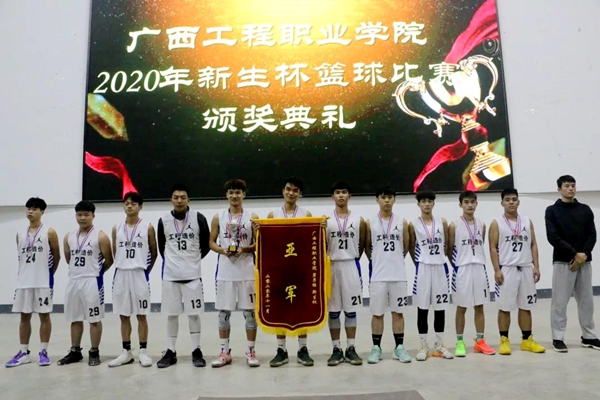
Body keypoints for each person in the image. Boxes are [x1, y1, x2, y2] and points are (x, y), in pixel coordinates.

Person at [156, 184, 210, 368]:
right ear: (171, 200)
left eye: (183, 197)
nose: (179, 200)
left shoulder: (199, 218)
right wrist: (175, 263)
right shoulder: (163, 220)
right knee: (171, 315)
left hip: (192, 277)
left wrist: (191, 261)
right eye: (176, 197)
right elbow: (162, 247)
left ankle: (196, 350)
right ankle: (170, 351)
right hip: (170, 277)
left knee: (194, 315)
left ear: (189, 199)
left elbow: (205, 245)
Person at [545, 175, 600, 352]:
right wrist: (574, 254)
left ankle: (589, 336)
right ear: (559, 189)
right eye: (567, 186)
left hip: (584, 261)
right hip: (563, 262)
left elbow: (592, 234)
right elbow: (553, 236)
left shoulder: (585, 209)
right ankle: (558, 338)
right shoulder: (552, 211)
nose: (571, 189)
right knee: (560, 302)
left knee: (586, 301)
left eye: (573, 186)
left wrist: (583, 254)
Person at [210, 179, 260, 368]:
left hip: (247, 270)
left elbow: (259, 243)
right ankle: (224, 352)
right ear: (226, 195)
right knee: (223, 313)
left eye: (238, 192)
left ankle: (251, 351)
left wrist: (245, 249)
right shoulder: (218, 217)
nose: (234, 196)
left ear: (244, 194)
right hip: (225, 271)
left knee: (250, 314)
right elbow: (211, 242)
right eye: (231, 192)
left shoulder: (252, 217)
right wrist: (223, 250)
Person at [5, 197, 61, 368]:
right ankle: (23, 352)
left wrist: (49, 274)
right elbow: (21, 257)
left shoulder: (49, 232)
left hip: (43, 281)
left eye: (35, 209)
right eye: (28, 208)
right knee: (24, 316)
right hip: (24, 281)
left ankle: (43, 351)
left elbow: (56, 256)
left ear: (42, 212)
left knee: (44, 315)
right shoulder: (20, 234)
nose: (31, 211)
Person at [266, 177, 315, 367]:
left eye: (295, 190)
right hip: (280, 271)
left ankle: (303, 348)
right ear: (283, 191)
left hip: (299, 270)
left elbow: (311, 241)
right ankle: (281, 350)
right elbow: (267, 242)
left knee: (302, 309)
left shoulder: (306, 214)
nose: (291, 193)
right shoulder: (273, 215)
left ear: (300, 194)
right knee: (280, 309)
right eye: (288, 189)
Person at [489, 188, 545, 355]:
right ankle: (504, 340)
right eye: (507, 200)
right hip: (507, 269)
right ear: (502, 203)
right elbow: (492, 248)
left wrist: (536, 266)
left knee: (526, 306)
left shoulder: (527, 221)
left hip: (526, 267)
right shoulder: (496, 223)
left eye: (514, 199)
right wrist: (496, 270)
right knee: (505, 307)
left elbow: (533, 244)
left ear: (518, 202)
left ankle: (527, 340)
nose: (511, 202)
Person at [58, 201, 114, 366]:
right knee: (75, 318)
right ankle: (75, 351)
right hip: (74, 280)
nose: (82, 218)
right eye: (79, 214)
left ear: (93, 216)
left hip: (92, 281)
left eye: (86, 215)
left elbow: (109, 260)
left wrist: (97, 272)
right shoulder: (68, 236)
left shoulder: (101, 236)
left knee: (94, 319)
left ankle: (94, 351)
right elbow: (68, 258)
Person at [108, 192, 157, 368]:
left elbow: (153, 252)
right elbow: (115, 251)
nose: (129, 206)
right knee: (123, 314)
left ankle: (143, 351)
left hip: (139, 273)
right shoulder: (116, 228)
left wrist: (144, 271)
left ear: (140, 207)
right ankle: (126, 351)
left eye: (133, 203)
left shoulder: (147, 227)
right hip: (121, 274)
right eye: (127, 203)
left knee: (141, 314)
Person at [365, 186, 411, 364]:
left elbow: (405, 246)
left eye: (390, 197)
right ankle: (376, 348)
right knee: (377, 313)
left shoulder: (402, 222)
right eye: (383, 197)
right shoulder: (369, 223)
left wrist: (394, 260)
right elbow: (367, 247)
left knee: (398, 312)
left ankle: (399, 347)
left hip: (398, 275)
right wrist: (379, 260)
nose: (386, 201)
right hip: (378, 276)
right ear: (377, 200)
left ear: (394, 200)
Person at [447, 190, 495, 357]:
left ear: (476, 204)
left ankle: (480, 341)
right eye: (466, 202)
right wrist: (457, 265)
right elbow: (449, 249)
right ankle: (460, 341)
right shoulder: (454, 225)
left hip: (479, 268)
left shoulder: (481, 224)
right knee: (461, 307)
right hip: (462, 268)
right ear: (460, 205)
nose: (469, 205)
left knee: (479, 306)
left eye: (472, 202)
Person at [408, 190, 453, 361]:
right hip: (424, 268)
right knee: (423, 308)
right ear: (418, 204)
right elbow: (411, 246)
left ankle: (439, 345)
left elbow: (447, 245)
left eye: (429, 201)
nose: (427, 204)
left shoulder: (442, 222)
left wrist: (439, 259)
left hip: (440, 267)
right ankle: (423, 345)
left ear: (433, 203)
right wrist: (420, 262)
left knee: (440, 307)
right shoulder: (413, 224)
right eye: (423, 201)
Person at [326, 181, 366, 366]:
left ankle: (351, 348)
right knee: (333, 311)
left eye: (344, 192)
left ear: (350, 196)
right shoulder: (326, 220)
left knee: (351, 310)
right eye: (337, 192)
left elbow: (363, 243)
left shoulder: (359, 220)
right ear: (332, 196)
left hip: (351, 265)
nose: (341, 195)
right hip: (332, 266)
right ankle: (336, 349)